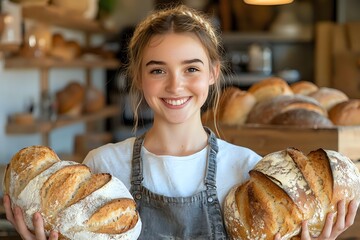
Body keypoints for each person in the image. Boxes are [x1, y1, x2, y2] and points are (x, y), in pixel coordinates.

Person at [3, 4, 359, 240]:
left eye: (191, 68)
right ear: (139, 78)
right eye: (158, 70)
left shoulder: (248, 169)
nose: (175, 85)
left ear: (213, 75)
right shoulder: (103, 167)